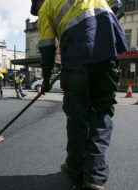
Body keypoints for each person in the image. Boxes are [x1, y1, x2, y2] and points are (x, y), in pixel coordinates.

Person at [30, 0, 126, 190]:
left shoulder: (46, 7)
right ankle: (94, 176)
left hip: (76, 57)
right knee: (102, 113)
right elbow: (117, 4)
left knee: (77, 117)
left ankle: (74, 168)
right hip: (106, 49)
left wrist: (47, 78)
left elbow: (47, 45)